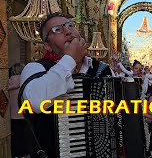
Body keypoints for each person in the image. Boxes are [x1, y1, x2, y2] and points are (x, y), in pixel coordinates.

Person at [20, 12, 114, 158]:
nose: (67, 31)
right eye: (57, 29)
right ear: (47, 46)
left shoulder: (102, 70)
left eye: (70, 25)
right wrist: (70, 59)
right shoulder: (35, 69)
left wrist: (136, 115)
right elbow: (35, 102)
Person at [8, 63, 30, 158]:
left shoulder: (7, 83)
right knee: (25, 136)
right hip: (24, 113)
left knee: (15, 136)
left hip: (12, 115)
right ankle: (25, 153)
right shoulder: (26, 81)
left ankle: (15, 154)